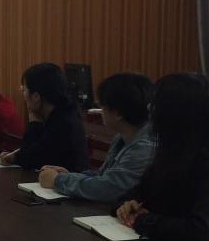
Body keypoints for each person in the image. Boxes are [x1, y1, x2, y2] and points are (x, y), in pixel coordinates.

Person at [114, 73, 209, 241]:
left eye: (156, 104)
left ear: (177, 114)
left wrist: (144, 220)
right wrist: (127, 206)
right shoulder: (171, 153)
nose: (149, 109)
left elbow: (205, 234)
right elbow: (132, 195)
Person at [38, 72, 155, 202]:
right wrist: (70, 176)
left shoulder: (144, 146)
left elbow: (108, 188)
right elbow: (103, 175)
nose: (100, 111)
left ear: (118, 113)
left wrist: (57, 180)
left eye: (102, 106)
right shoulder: (122, 136)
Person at [0, 62, 88, 171]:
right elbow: (38, 150)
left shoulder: (63, 123)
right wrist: (16, 156)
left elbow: (30, 161)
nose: (23, 96)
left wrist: (34, 122)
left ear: (36, 96)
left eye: (24, 90)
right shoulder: (62, 113)